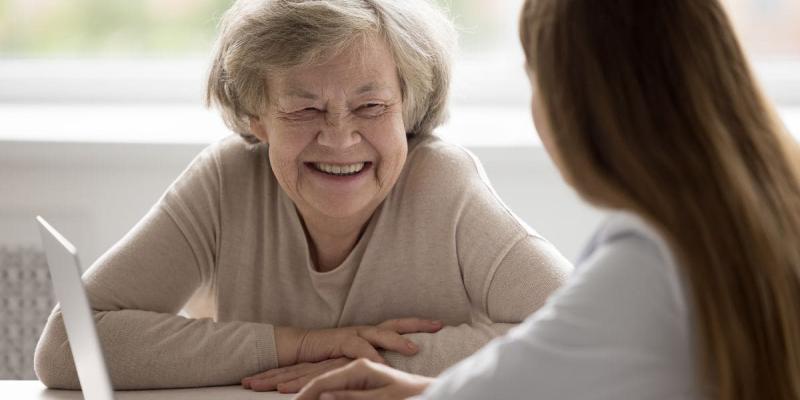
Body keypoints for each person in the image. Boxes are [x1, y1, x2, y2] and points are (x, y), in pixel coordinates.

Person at [33, 0, 572, 392]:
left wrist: (386, 363)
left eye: (371, 107)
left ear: (408, 107)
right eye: (304, 110)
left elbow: (580, 330)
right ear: (256, 117)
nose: (340, 138)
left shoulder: (443, 183)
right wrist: (299, 343)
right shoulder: (226, 181)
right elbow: (65, 350)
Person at [295, 0, 800, 399]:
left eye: (534, 77)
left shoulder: (649, 261)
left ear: (579, 104)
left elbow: (533, 374)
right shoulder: (762, 211)